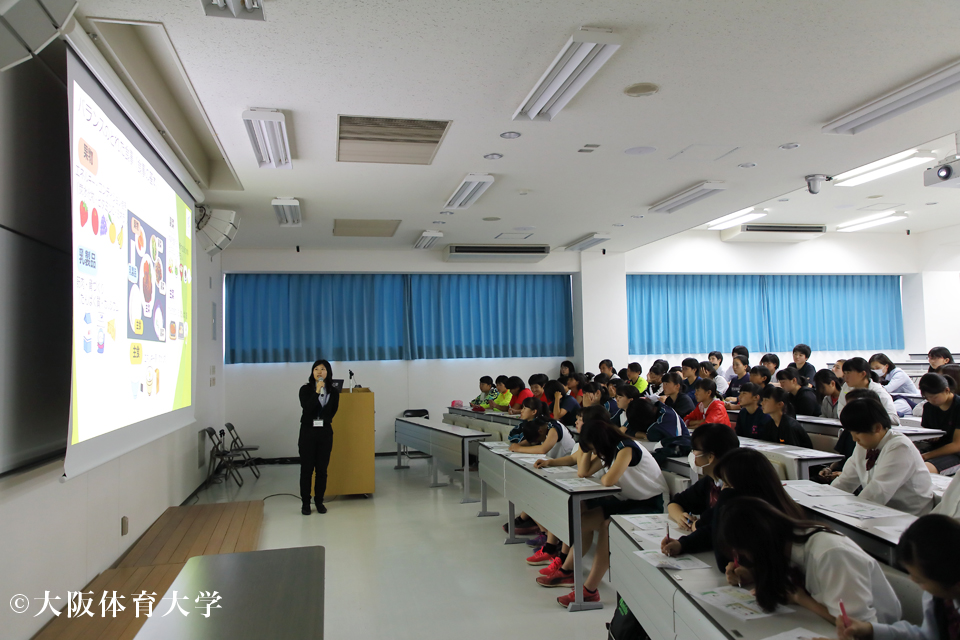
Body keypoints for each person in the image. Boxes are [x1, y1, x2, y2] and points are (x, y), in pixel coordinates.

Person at [538, 420, 667, 607]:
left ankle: (590, 590)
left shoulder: (626, 448)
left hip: (650, 504)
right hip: (627, 501)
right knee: (582, 522)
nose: (595, 452)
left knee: (608, 527)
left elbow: (608, 481)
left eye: (593, 447)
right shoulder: (610, 449)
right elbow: (584, 472)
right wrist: (587, 450)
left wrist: (600, 462)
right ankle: (568, 571)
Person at [717, 497, 901, 624]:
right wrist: (755, 574)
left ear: (759, 544)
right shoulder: (788, 544)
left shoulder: (830, 554)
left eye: (745, 552)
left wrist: (801, 599)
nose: (746, 559)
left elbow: (857, 626)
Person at [664, 447, 806, 567]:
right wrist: (682, 544)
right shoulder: (755, 509)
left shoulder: (766, 521)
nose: (723, 490)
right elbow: (713, 530)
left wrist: (724, 500)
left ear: (745, 487)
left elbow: (723, 560)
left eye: (727, 484)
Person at [836, 515, 960, 640]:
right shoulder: (940, 597)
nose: (913, 580)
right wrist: (869, 630)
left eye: (921, 580)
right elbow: (926, 635)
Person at [832, 397, 934, 515]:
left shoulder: (899, 447)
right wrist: (825, 498)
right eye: (851, 433)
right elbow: (846, 480)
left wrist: (847, 511)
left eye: (858, 433)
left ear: (877, 428)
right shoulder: (864, 445)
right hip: (882, 510)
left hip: (910, 516)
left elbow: (878, 491)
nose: (854, 439)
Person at [662, 424, 740, 558]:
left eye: (695, 451)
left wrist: (697, 526)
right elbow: (676, 502)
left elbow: (715, 528)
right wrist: (680, 517)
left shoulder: (735, 487)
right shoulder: (711, 481)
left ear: (710, 457)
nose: (692, 456)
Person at [298, 359, 340, 515]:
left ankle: (319, 501)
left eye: (322, 369)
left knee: (322, 470)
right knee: (307, 470)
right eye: (316, 369)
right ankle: (305, 503)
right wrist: (316, 392)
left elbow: (332, 412)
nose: (319, 372)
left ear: (328, 372)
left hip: (324, 433)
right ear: (312, 372)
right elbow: (307, 408)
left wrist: (323, 420)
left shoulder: (334, 392)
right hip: (308, 433)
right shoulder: (305, 389)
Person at [918, 373, 960, 474]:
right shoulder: (928, 407)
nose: (931, 400)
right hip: (934, 449)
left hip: (955, 454)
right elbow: (925, 431)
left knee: (921, 470)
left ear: (947, 390)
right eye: (927, 398)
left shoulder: (958, 407)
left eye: (934, 397)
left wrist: (926, 456)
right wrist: (929, 436)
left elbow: (957, 445)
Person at [838, 358, 901, 424]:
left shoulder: (878, 391)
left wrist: (867, 418)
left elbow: (894, 419)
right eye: (844, 373)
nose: (845, 377)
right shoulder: (846, 387)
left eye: (848, 373)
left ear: (863, 374)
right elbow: (841, 411)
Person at [870, 353, 921, 417]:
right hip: (894, 400)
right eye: (872, 369)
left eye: (877, 368)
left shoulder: (899, 374)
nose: (875, 371)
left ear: (886, 366)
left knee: (883, 412)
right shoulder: (881, 377)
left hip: (907, 401)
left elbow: (887, 389)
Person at [509, 416, 576, 458]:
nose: (539, 442)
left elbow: (543, 449)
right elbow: (530, 441)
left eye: (538, 441)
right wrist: (518, 445)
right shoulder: (542, 426)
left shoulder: (554, 429)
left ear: (540, 431)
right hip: (555, 461)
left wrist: (519, 448)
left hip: (568, 463)